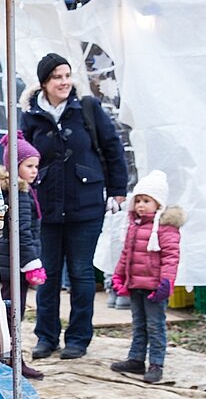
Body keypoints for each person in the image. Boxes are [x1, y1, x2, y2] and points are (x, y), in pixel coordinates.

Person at [20, 53, 128, 361]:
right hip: (46, 207)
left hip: (86, 205)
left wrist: (118, 190)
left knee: (81, 274)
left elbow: (112, 148)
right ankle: (46, 336)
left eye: (67, 75)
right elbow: (22, 157)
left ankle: (78, 338)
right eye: (57, 77)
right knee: (47, 274)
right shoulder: (30, 115)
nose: (64, 82)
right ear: (44, 83)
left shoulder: (88, 109)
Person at [110, 171, 184, 384]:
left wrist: (166, 282)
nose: (141, 205)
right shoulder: (134, 225)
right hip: (135, 285)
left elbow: (171, 258)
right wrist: (118, 276)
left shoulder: (165, 228)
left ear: (158, 204)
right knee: (138, 323)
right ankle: (136, 358)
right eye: (138, 200)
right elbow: (127, 254)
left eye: (146, 201)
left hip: (154, 288)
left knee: (155, 325)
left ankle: (156, 363)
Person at [0, 132, 46, 380]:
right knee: (13, 312)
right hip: (14, 263)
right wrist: (31, 263)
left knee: (10, 311)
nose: (35, 170)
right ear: (14, 166)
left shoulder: (20, 191)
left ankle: (10, 356)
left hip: (11, 261)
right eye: (29, 165)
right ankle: (13, 359)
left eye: (36, 165)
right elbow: (21, 233)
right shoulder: (20, 194)